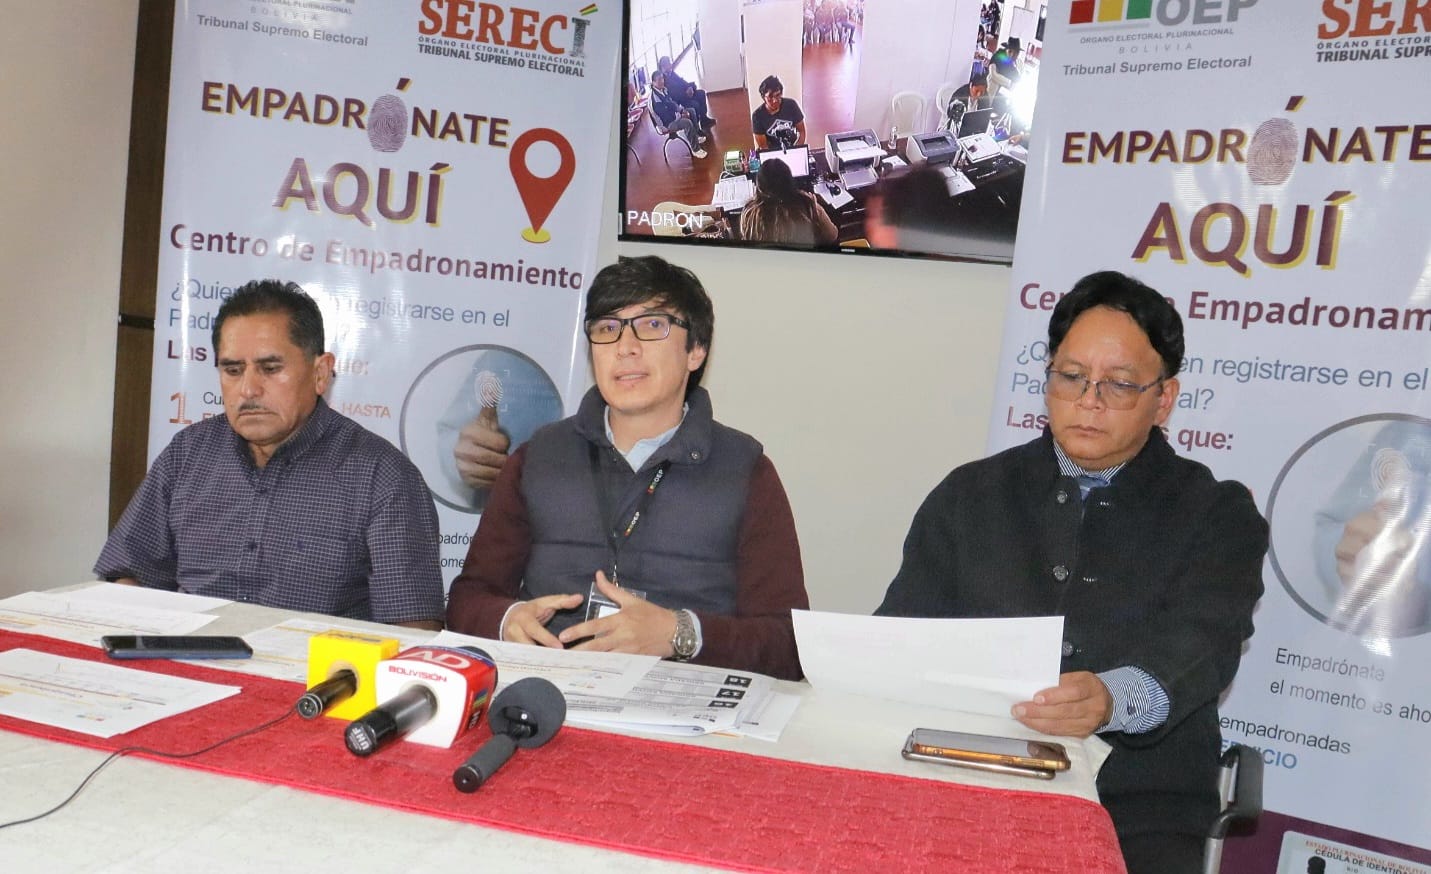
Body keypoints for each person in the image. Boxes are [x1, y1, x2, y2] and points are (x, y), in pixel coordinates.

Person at [875, 271, 1267, 873]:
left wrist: (1110, 701)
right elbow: (902, 630)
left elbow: (1205, 643)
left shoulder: (1218, 513)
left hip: (1136, 806)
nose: (1089, 400)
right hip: (966, 779)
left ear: (1164, 399)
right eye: (1072, 377)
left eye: (1120, 384)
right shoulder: (970, 494)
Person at [446, 256, 808, 680]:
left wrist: (680, 634)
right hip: (550, 691)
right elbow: (468, 599)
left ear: (695, 351)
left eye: (652, 325)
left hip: (684, 700)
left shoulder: (745, 471)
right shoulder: (538, 457)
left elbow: (790, 646)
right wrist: (508, 620)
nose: (625, 346)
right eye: (607, 328)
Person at [95, 280, 444, 629]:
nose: (248, 389)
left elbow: (414, 631)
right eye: (233, 370)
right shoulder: (187, 454)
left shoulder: (382, 477)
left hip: (315, 663)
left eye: (270, 368)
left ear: (320, 373)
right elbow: (128, 573)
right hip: (187, 656)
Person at [739, 158, 838, 247]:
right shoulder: (807, 206)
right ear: (790, 181)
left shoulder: (749, 213)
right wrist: (815, 206)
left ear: (759, 187)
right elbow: (832, 235)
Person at [650, 70, 708, 159]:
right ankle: (695, 149)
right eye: (659, 80)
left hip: (673, 116)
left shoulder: (663, 90)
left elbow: (672, 104)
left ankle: (696, 136)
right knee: (687, 122)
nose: (662, 81)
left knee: (691, 111)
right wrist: (680, 116)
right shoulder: (656, 99)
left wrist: (681, 110)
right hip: (667, 124)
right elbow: (666, 117)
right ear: (653, 82)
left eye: (662, 78)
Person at [656, 55, 714, 132]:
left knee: (701, 93)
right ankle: (696, 128)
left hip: (685, 94)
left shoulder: (671, 73)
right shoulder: (663, 80)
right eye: (668, 63)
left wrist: (689, 87)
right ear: (663, 67)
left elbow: (682, 81)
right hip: (680, 100)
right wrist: (686, 94)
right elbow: (673, 94)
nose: (670, 65)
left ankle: (704, 119)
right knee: (695, 105)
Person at [751, 75, 806, 151]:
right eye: (770, 97)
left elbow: (802, 132)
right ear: (764, 97)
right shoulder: (757, 116)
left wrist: (795, 150)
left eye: (777, 95)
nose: (775, 100)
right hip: (772, 152)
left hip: (793, 147)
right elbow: (764, 147)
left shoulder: (791, 105)